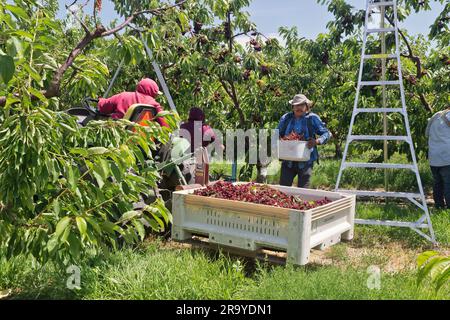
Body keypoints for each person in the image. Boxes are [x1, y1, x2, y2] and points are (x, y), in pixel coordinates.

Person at [277, 94, 332, 188]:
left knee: (303, 191)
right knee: (284, 190)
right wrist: (281, 140)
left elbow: (327, 133)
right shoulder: (286, 118)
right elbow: (277, 133)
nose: (298, 108)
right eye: (296, 105)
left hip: (306, 161)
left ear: (307, 107)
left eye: (301, 105)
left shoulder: (312, 118)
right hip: (288, 161)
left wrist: (317, 141)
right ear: (292, 107)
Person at [97, 78, 168, 128]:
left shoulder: (123, 95)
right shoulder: (154, 104)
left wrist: (100, 100)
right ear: (152, 92)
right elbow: (165, 125)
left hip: (116, 132)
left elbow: (103, 107)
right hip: (139, 140)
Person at [426, 105, 450, 209]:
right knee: (448, 184)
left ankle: (439, 206)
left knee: (437, 183)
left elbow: (426, 134)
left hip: (434, 157)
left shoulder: (435, 116)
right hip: (446, 157)